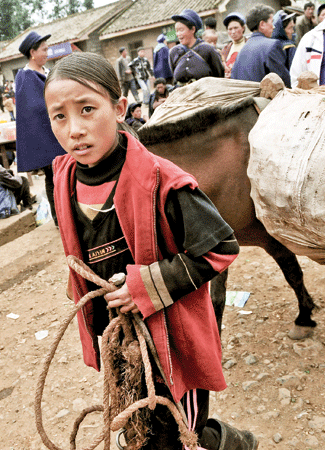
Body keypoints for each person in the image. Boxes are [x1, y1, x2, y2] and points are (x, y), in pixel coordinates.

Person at [44, 51, 258, 450]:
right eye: (60, 116)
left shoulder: (162, 180)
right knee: (140, 432)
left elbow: (220, 248)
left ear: (119, 107)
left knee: (180, 435)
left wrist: (145, 287)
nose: (74, 129)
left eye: (87, 109)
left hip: (172, 345)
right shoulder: (63, 180)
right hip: (122, 348)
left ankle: (232, 442)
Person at [15, 31, 66, 226]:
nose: (48, 52)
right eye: (44, 49)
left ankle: (67, 216)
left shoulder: (46, 72)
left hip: (57, 133)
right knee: (53, 178)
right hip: (45, 139)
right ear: (32, 52)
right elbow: (34, 110)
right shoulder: (26, 77)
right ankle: (59, 219)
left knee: (64, 176)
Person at [231, 4, 291, 87]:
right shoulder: (272, 45)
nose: (273, 27)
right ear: (262, 24)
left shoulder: (243, 49)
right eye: (272, 22)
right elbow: (283, 82)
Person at [169, 9, 224, 86]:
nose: (178, 34)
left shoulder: (208, 50)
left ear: (193, 29)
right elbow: (174, 79)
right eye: (176, 30)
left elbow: (219, 77)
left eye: (181, 30)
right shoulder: (174, 52)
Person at [221, 12, 247, 79]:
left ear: (243, 28)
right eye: (230, 29)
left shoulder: (249, 44)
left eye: (236, 28)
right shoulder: (225, 49)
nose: (233, 32)